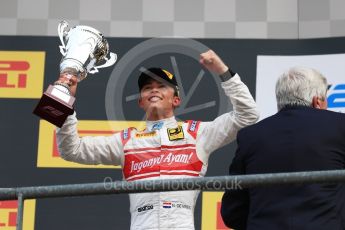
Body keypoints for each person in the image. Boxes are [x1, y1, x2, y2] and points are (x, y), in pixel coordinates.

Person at [56, 50, 259, 230]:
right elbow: (71, 150)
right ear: (141, 102)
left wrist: (222, 70)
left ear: (176, 100)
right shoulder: (127, 140)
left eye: (161, 86)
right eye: (147, 88)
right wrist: (64, 100)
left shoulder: (197, 133)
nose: (153, 90)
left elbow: (248, 115)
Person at [221, 66, 345, 230]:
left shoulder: (250, 136)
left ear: (280, 101)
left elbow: (232, 211)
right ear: (317, 101)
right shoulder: (340, 126)